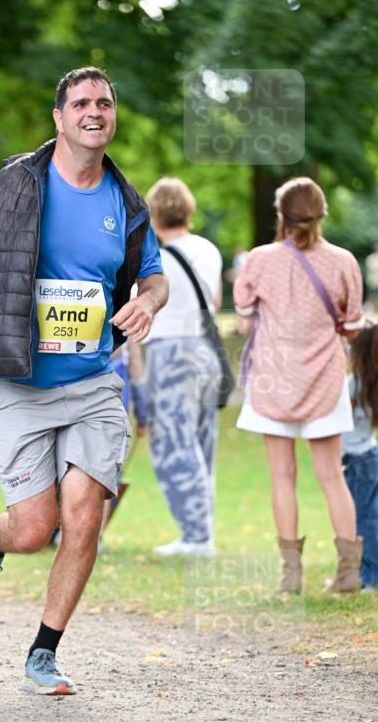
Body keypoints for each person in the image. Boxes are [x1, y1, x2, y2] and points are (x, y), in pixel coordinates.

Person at [0, 66, 168, 696]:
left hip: (93, 382)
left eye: (106, 102)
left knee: (84, 515)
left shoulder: (127, 202)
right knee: (34, 529)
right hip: (18, 379)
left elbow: (154, 275)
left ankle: (45, 652)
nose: (96, 111)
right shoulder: (14, 185)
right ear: (59, 118)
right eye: (82, 102)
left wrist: (150, 302)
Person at [234, 177, 365, 593]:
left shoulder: (259, 259)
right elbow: (351, 324)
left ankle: (290, 578)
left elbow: (242, 318)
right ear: (321, 214)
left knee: (281, 477)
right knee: (332, 476)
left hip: (273, 382)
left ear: (281, 216)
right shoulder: (344, 261)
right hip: (325, 379)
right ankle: (347, 573)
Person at [143, 177, 223, 558]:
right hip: (206, 350)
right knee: (202, 442)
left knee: (174, 444)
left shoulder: (155, 257)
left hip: (171, 350)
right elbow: (216, 301)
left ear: (155, 213)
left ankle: (195, 536)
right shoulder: (208, 249)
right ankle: (200, 530)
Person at [342, 325, 378, 591]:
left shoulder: (354, 384)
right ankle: (365, 573)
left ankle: (369, 577)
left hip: (356, 461)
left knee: (363, 519)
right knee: (369, 516)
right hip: (368, 455)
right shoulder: (370, 383)